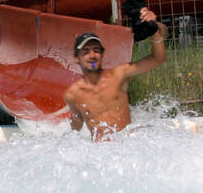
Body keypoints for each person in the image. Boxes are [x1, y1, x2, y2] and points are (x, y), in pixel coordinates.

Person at [62, 8, 167, 140]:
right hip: (102, 153)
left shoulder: (119, 75)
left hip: (125, 146)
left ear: (102, 54)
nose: (92, 55)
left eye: (96, 50)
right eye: (86, 51)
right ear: (77, 58)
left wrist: (155, 32)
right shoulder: (72, 94)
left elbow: (158, 59)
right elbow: (75, 128)